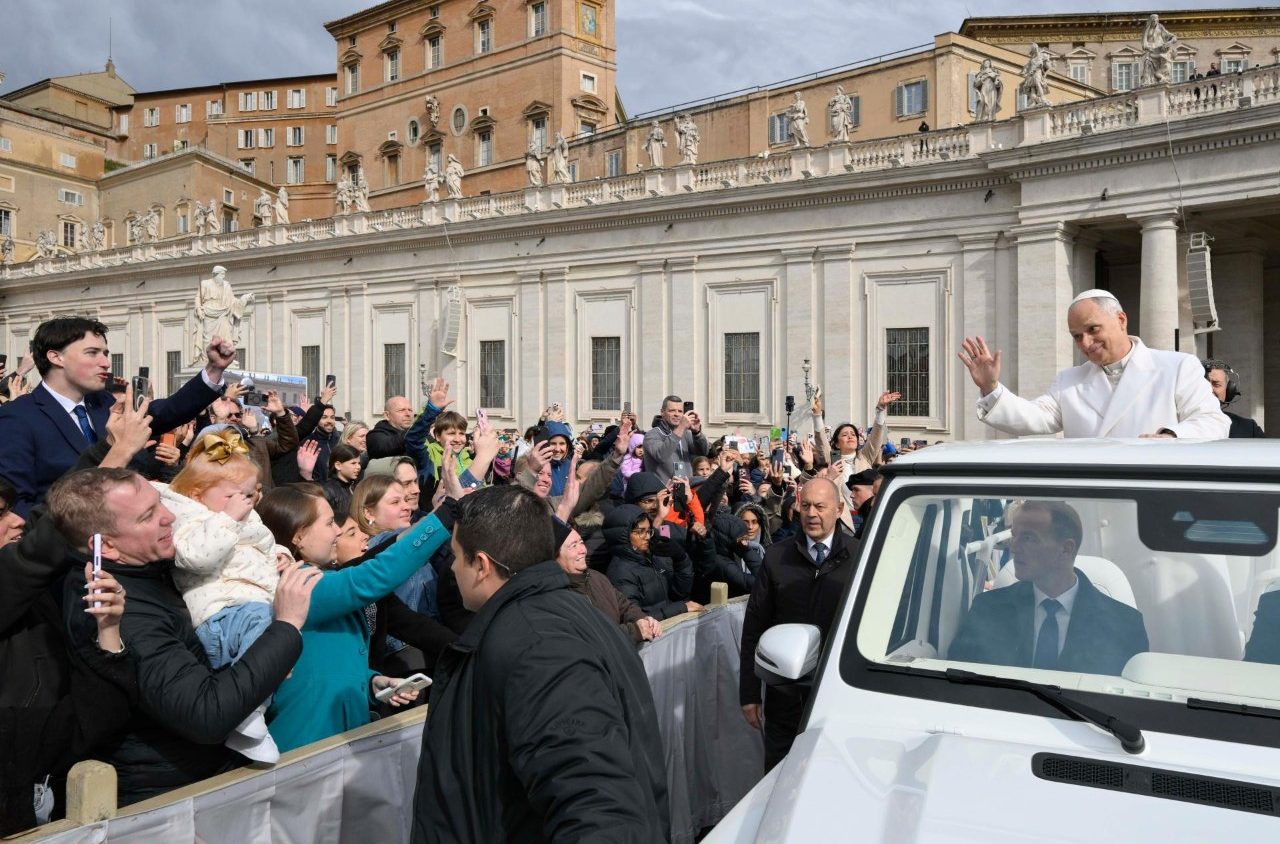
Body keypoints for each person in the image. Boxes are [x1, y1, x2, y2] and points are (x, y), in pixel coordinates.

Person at [46, 463, 319, 805]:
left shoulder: (150, 565)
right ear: (107, 547)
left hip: (202, 784)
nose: (170, 517)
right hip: (170, 800)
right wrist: (286, 626)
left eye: (161, 502)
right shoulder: (119, 611)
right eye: (148, 516)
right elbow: (206, 714)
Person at [410, 485, 669, 842]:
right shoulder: (561, 615)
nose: (452, 568)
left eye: (455, 556)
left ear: (482, 565)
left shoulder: (538, 645)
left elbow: (596, 803)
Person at [256, 486, 454, 752]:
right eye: (329, 523)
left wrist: (373, 682)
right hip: (309, 745)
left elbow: (326, 660)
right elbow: (377, 573)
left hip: (336, 741)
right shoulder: (300, 585)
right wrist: (447, 512)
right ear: (299, 536)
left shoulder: (316, 579)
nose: (337, 531)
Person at [0, 317, 232, 521]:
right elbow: (17, 504)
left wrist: (213, 370)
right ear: (56, 357)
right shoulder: (17, 417)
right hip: (66, 544)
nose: (106, 363)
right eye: (92, 353)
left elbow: (165, 412)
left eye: (106, 354)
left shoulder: (103, 404)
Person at [159, 429, 293, 762]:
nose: (246, 501)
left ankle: (250, 715)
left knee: (284, 636)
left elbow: (264, 544)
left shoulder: (245, 516)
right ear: (197, 493)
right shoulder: (188, 517)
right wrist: (227, 520)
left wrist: (281, 555)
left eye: (250, 493)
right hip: (221, 614)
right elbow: (196, 557)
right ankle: (247, 713)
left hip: (252, 606)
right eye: (234, 494)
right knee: (268, 638)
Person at [959, 289, 1230, 439]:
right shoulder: (1069, 381)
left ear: (1121, 320)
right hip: (1091, 504)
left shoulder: (1177, 366)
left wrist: (1171, 436)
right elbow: (1033, 418)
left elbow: (1213, 422)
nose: (1086, 343)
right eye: (1077, 336)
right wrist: (991, 388)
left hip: (1153, 500)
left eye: (1093, 329)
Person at [948, 500, 1149, 676]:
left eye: (1028, 538)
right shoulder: (988, 609)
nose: (1014, 547)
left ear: (1066, 549)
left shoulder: (1124, 626)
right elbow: (957, 682)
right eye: (1014, 536)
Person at [740, 478, 856, 770]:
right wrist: (750, 693)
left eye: (820, 506)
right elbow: (755, 627)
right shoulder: (777, 557)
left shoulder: (859, 557)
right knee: (780, 778)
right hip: (785, 699)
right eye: (805, 506)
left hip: (838, 698)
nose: (811, 514)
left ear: (839, 509)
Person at [554, 519, 662, 644]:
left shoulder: (596, 577)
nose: (583, 550)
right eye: (573, 546)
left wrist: (643, 620)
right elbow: (591, 639)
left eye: (581, 542)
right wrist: (635, 631)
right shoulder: (558, 595)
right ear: (556, 555)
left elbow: (625, 606)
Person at [603, 504, 697, 620]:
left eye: (648, 531)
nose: (647, 537)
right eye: (640, 531)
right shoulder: (620, 573)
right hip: (656, 629)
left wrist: (681, 559)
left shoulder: (652, 558)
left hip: (669, 624)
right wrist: (680, 608)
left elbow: (680, 593)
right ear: (623, 536)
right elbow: (637, 619)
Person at [643, 395, 709, 483]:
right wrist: (681, 428)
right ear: (662, 412)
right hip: (663, 488)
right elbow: (661, 456)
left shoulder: (686, 433)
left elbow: (703, 452)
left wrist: (697, 433)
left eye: (680, 411)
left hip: (686, 486)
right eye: (672, 410)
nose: (676, 414)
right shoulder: (652, 435)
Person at [1203, 359, 1265, 438]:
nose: (1209, 390)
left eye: (1216, 384)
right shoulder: (1186, 426)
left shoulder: (1248, 428)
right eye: (1203, 384)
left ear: (1229, 389)